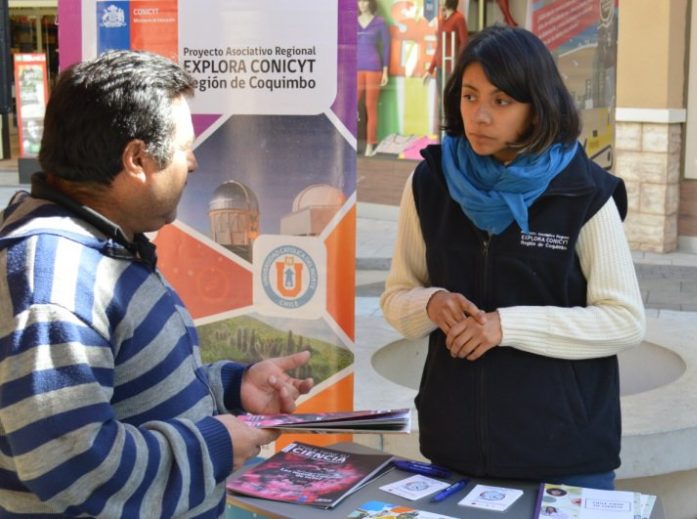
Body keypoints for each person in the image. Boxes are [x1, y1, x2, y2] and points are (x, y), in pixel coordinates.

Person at [0, 50, 314, 518]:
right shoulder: (56, 278)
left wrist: (231, 387)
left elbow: (128, 391)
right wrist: (214, 446)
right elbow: (72, 463)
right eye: (184, 147)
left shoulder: (103, 244)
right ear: (137, 159)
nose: (193, 163)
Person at [380, 26, 645, 490]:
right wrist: (430, 303)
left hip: (565, 455)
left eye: (501, 101)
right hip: (453, 450)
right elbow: (395, 297)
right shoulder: (430, 183)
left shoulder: (582, 191)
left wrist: (507, 326)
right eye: (469, 95)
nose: (479, 115)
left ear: (536, 106)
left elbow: (624, 320)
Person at [357, 0, 391, 157]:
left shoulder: (379, 22)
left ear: (371, 3)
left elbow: (386, 46)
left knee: (371, 107)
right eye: (359, 1)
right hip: (355, 70)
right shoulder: (352, 21)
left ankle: (370, 144)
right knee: (351, 107)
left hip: (373, 68)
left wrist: (385, 71)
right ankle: (350, 141)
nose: (361, 4)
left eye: (364, 1)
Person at [423, 0, 468, 84]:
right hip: (440, 67)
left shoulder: (459, 18)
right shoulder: (441, 20)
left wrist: (458, 66)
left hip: (452, 68)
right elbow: (439, 47)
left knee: (450, 95)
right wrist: (430, 70)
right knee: (441, 96)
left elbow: (464, 43)